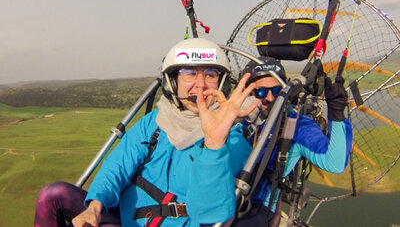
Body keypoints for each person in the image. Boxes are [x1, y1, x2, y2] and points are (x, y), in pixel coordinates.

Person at [34, 38, 259, 227]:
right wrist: (95, 206)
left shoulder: (232, 140)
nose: (200, 84)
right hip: (125, 218)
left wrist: (213, 143)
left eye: (210, 74)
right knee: (53, 195)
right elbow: (119, 166)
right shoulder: (155, 121)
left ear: (221, 84)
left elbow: (209, 213)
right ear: (173, 82)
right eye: (189, 73)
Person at [232, 56, 353, 226]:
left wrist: (337, 114)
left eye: (276, 91)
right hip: (223, 199)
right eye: (260, 92)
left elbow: (335, 163)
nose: (269, 98)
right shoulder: (234, 116)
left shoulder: (296, 125)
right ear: (247, 92)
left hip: (257, 209)